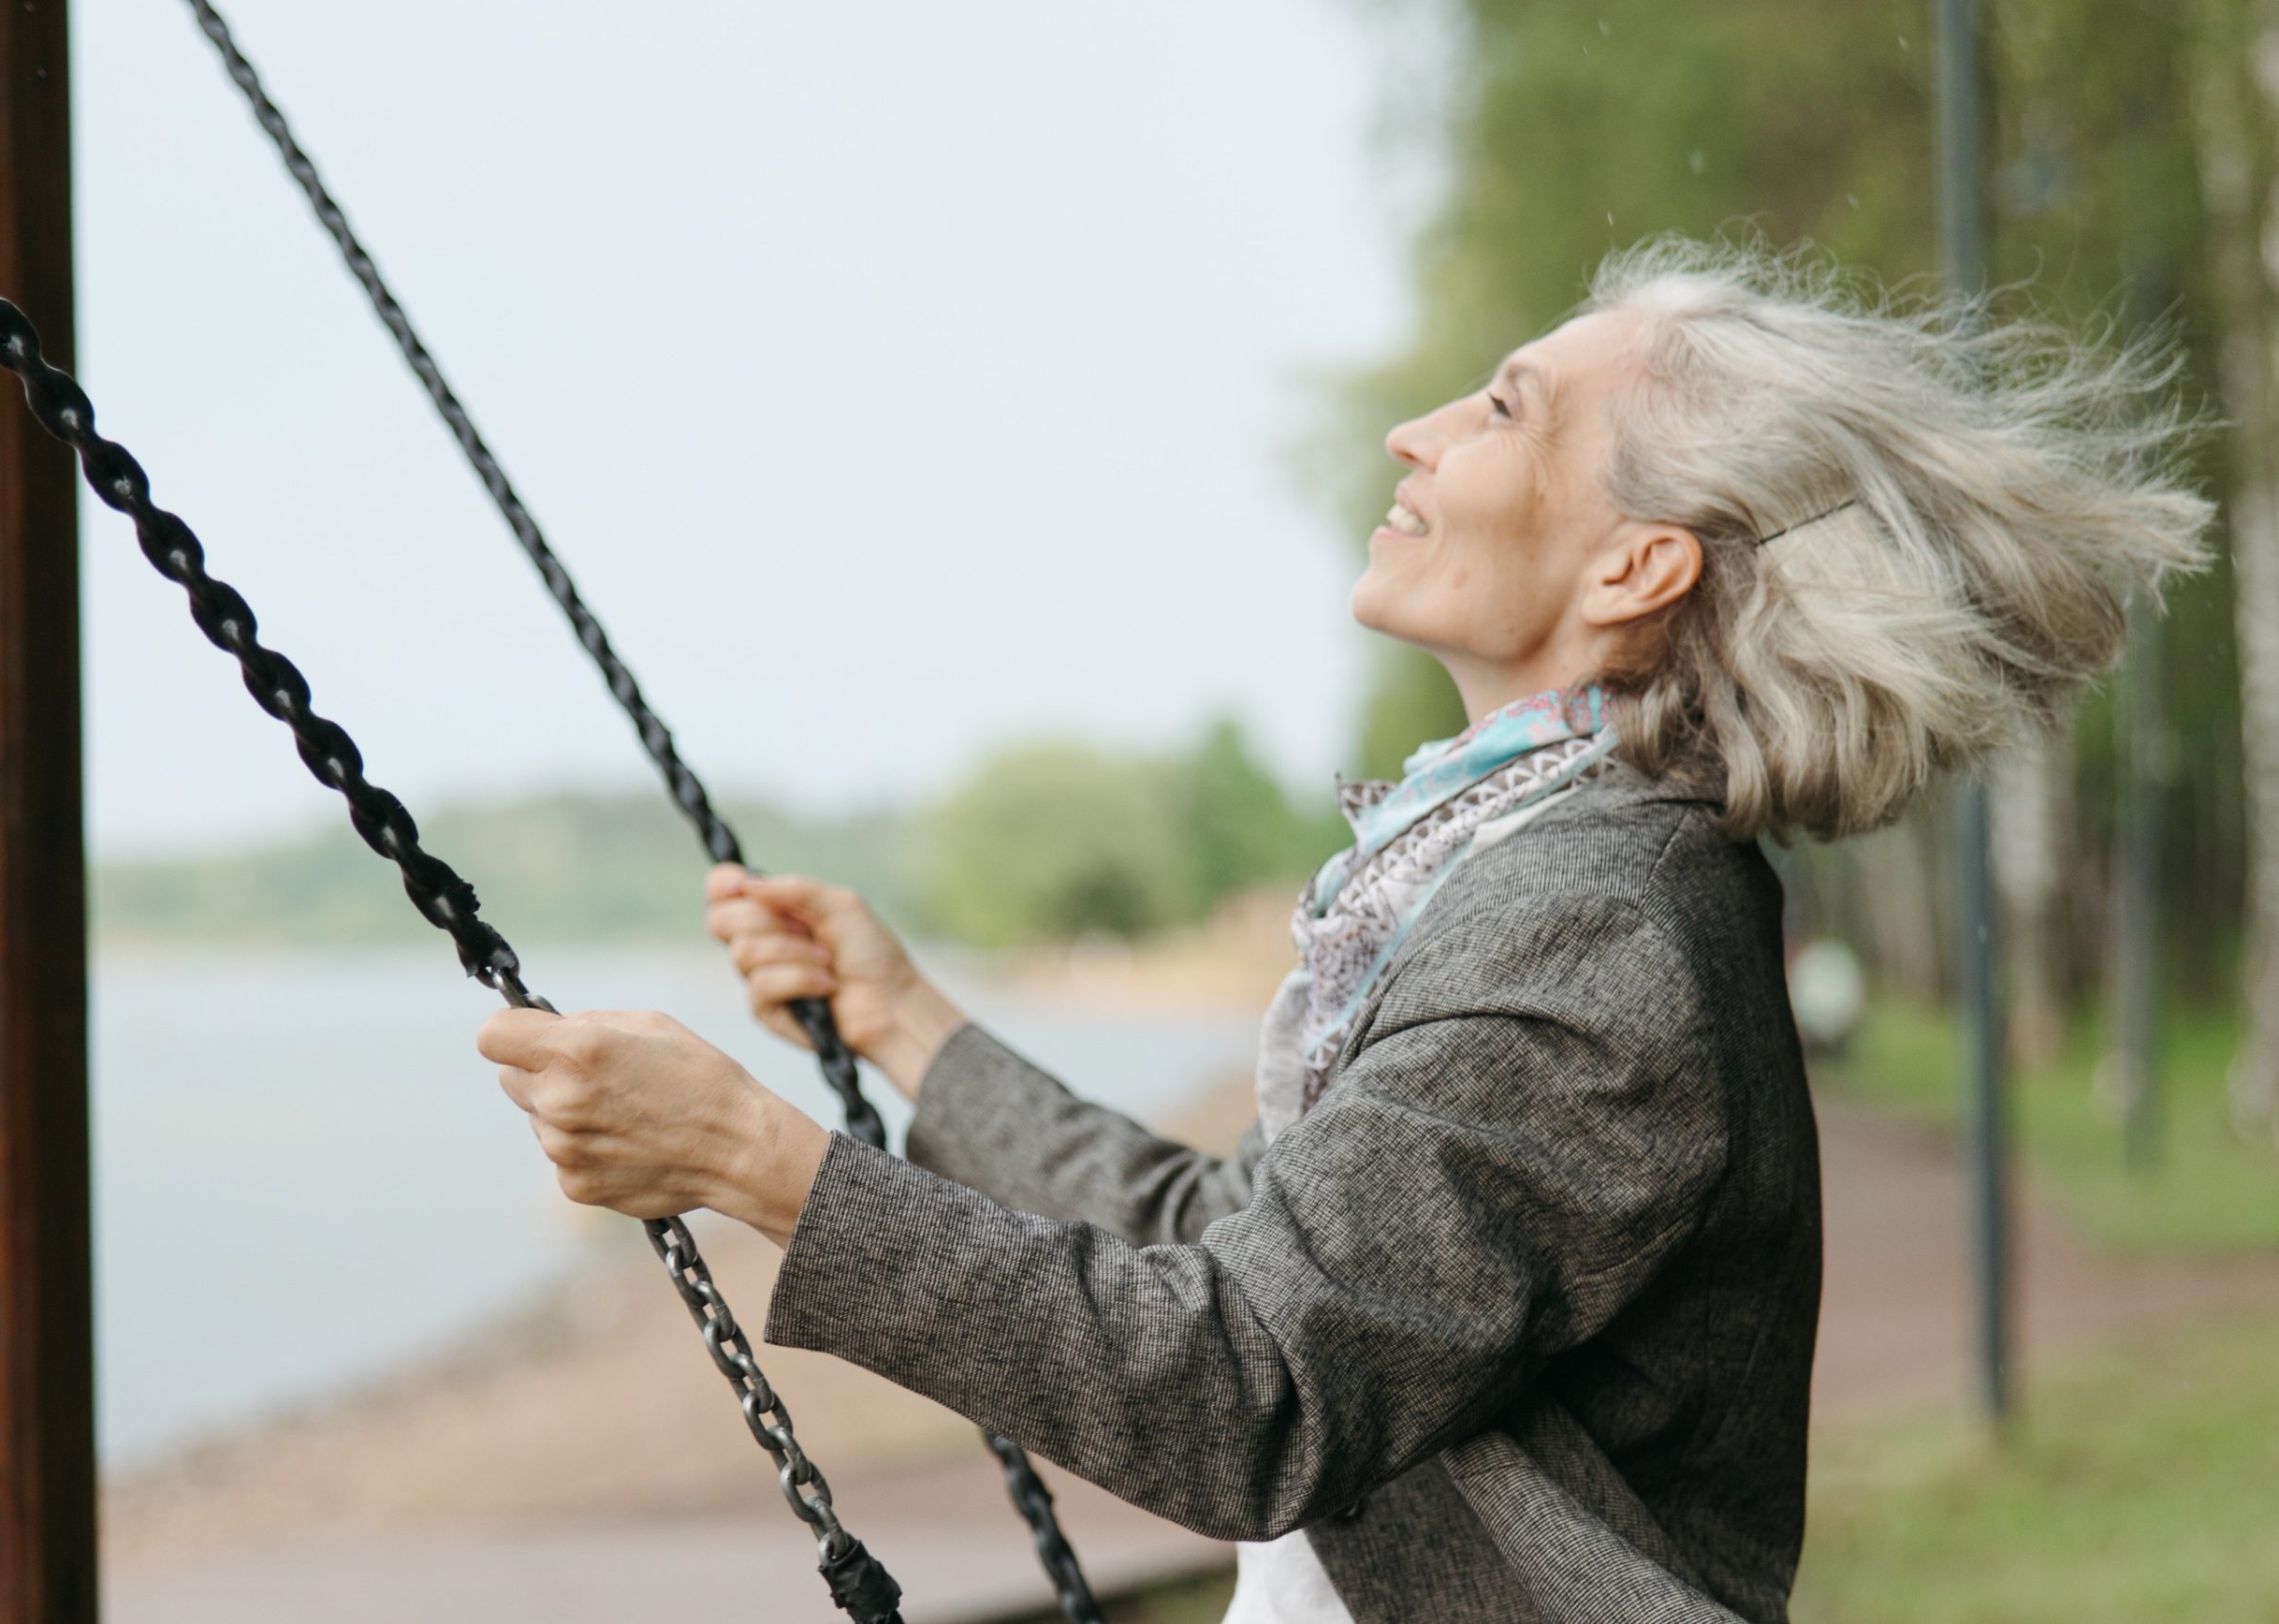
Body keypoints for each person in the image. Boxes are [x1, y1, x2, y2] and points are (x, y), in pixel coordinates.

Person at [477, 240, 2210, 1622]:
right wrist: (910, 1025)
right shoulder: (1530, 862)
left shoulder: (1595, 928)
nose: (1420, 428)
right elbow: (1253, 1254)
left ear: (1634, 574)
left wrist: (753, 1158)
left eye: (1508, 411)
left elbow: (1248, 1387)